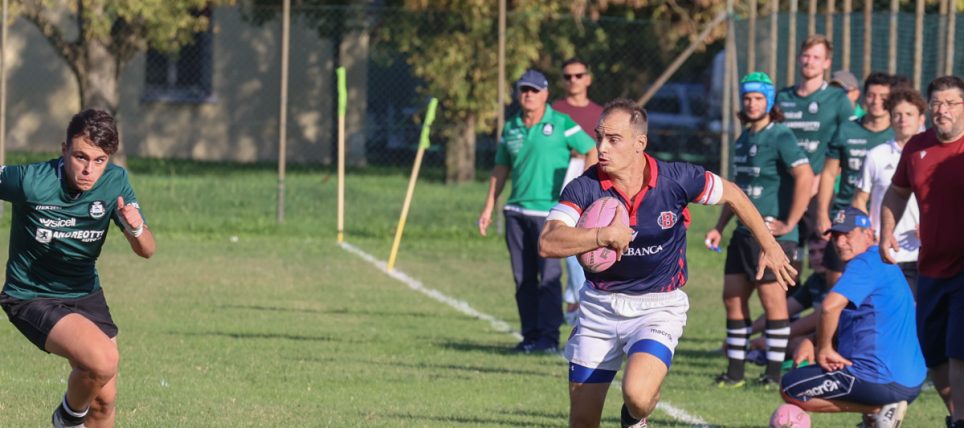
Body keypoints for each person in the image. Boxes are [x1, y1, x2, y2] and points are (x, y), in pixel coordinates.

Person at [539, 98, 798, 428]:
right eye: (599, 136)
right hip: (599, 308)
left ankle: (634, 417)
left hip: (657, 306)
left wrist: (771, 245)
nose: (602, 147)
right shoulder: (585, 187)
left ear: (640, 143)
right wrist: (601, 235)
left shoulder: (674, 179)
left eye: (613, 139)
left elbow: (733, 193)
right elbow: (547, 241)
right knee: (583, 421)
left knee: (637, 395)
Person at [0, 109, 155, 428]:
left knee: (103, 400)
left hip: (85, 294)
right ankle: (67, 420)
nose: (88, 169)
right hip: (31, 296)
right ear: (64, 150)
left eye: (99, 160)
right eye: (80, 157)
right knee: (104, 361)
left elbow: (147, 250)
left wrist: (136, 229)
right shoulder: (31, 181)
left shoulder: (116, 183)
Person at [705, 72, 814, 388]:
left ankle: (772, 374)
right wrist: (719, 227)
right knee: (732, 297)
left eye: (758, 98)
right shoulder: (744, 138)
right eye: (747, 98)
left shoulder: (781, 135)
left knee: (773, 302)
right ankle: (735, 373)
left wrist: (790, 224)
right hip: (742, 235)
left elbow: (805, 177)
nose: (752, 104)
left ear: (770, 101)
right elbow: (735, 193)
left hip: (772, 237)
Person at [478, 69, 598, 354]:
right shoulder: (511, 128)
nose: (528, 95)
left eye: (534, 90)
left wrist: (585, 185)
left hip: (548, 215)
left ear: (545, 94)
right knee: (523, 278)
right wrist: (488, 207)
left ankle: (548, 337)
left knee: (550, 277)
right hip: (515, 211)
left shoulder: (560, 123)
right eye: (523, 90)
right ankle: (529, 335)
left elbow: (590, 148)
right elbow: (500, 169)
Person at [780, 207, 925, 428]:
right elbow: (854, 321)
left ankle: (880, 410)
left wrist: (824, 349)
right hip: (909, 379)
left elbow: (829, 308)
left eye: (848, 234)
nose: (840, 242)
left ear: (868, 234)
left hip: (881, 380)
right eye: (836, 236)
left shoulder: (866, 262)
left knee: (791, 388)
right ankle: (875, 417)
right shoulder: (880, 262)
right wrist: (812, 340)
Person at [881, 75, 964, 428]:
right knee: (934, 357)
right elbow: (897, 193)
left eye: (950, 103)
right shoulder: (917, 148)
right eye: (936, 104)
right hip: (930, 267)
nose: (942, 110)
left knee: (959, 348)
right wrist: (886, 231)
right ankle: (956, 414)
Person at [776, 34, 854, 275]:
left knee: (823, 264)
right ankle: (790, 310)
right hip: (784, 192)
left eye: (817, 57)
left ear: (827, 63)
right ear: (799, 58)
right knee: (787, 261)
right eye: (806, 56)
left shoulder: (838, 99)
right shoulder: (782, 98)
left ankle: (823, 309)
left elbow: (847, 147)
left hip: (819, 195)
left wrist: (821, 181)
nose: (810, 62)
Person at [816, 72, 896, 287]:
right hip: (845, 222)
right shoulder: (846, 130)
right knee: (839, 290)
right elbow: (829, 173)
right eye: (872, 95)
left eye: (883, 97)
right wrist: (823, 214)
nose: (877, 102)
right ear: (863, 97)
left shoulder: (899, 135)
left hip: (885, 225)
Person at [851, 87, 925, 296]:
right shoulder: (876, 155)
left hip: (922, 251)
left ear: (921, 118)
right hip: (886, 252)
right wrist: (870, 232)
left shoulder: (930, 155)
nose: (903, 120)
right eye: (897, 115)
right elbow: (859, 199)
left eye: (909, 114)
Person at [552, 57, 604, 325]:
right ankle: (574, 301)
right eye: (568, 76)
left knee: (585, 241)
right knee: (564, 240)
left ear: (588, 78)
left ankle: (578, 302)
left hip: (591, 181)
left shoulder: (599, 112)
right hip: (560, 181)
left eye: (578, 75)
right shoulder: (554, 111)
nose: (573, 80)